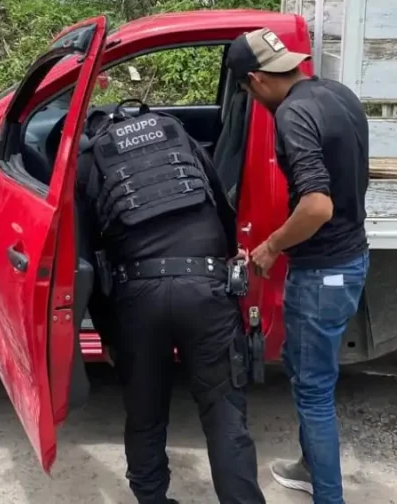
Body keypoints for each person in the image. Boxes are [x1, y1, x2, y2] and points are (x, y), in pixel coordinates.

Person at [76, 102, 266, 504]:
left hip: (138, 296)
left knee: (145, 415)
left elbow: (89, 258)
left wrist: (107, 333)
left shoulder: (91, 159)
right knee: (223, 413)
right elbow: (221, 203)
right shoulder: (178, 135)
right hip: (206, 287)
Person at [225, 28, 370, 504]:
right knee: (302, 366)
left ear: (254, 80)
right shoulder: (336, 93)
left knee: (313, 391)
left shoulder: (292, 114)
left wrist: (269, 247)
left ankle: (329, 497)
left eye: (245, 91)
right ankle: (310, 468)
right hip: (349, 258)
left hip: (324, 271)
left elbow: (316, 207)